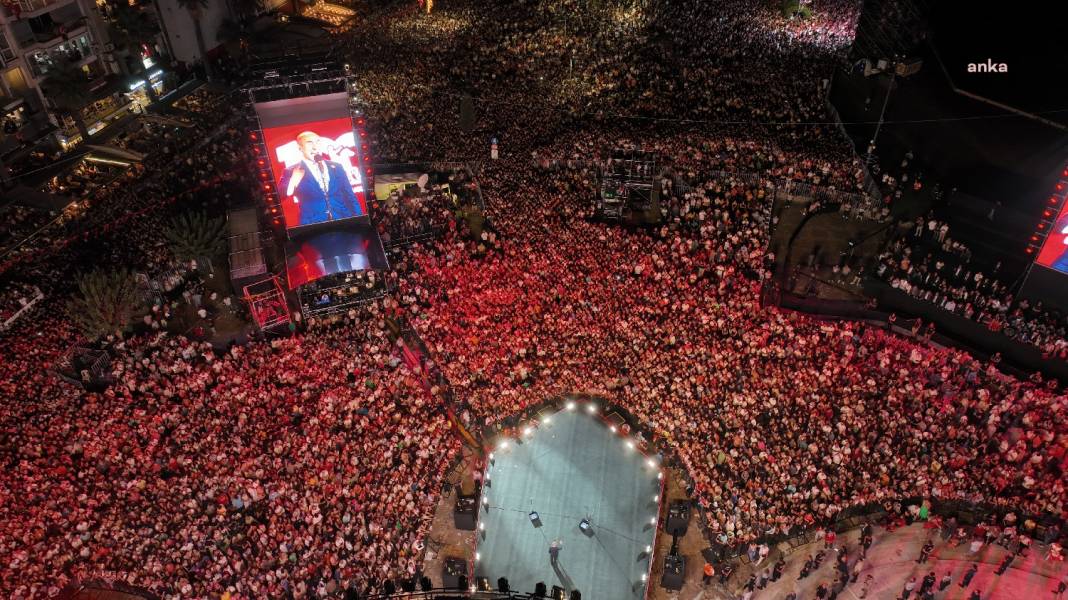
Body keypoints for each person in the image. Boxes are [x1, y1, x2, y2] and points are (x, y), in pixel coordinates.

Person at [279, 130, 362, 226]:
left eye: (317, 142)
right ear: (300, 147)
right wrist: (293, 181)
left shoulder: (336, 167)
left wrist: (359, 220)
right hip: (314, 225)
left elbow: (350, 195)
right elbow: (279, 196)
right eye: (309, 143)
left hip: (343, 219)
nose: (315, 147)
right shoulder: (291, 171)